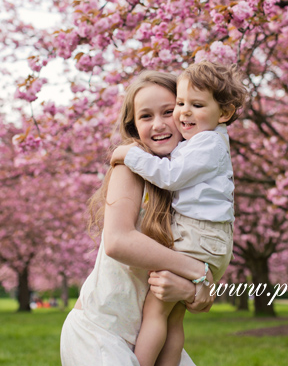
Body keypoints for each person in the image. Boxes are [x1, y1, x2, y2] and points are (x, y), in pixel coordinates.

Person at [60, 71, 216, 366]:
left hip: (151, 336)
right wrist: (199, 273)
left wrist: (194, 288)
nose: (158, 124)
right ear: (134, 126)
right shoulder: (130, 168)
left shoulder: (195, 183)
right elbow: (118, 242)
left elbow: (199, 291)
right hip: (101, 331)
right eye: (145, 116)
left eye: (168, 112)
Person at [111, 61, 248, 366]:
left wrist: (130, 154)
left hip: (198, 235)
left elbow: (170, 176)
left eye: (196, 105)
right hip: (207, 238)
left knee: (155, 311)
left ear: (223, 113)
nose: (184, 112)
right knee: (172, 319)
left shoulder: (207, 143)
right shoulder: (204, 141)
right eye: (182, 104)